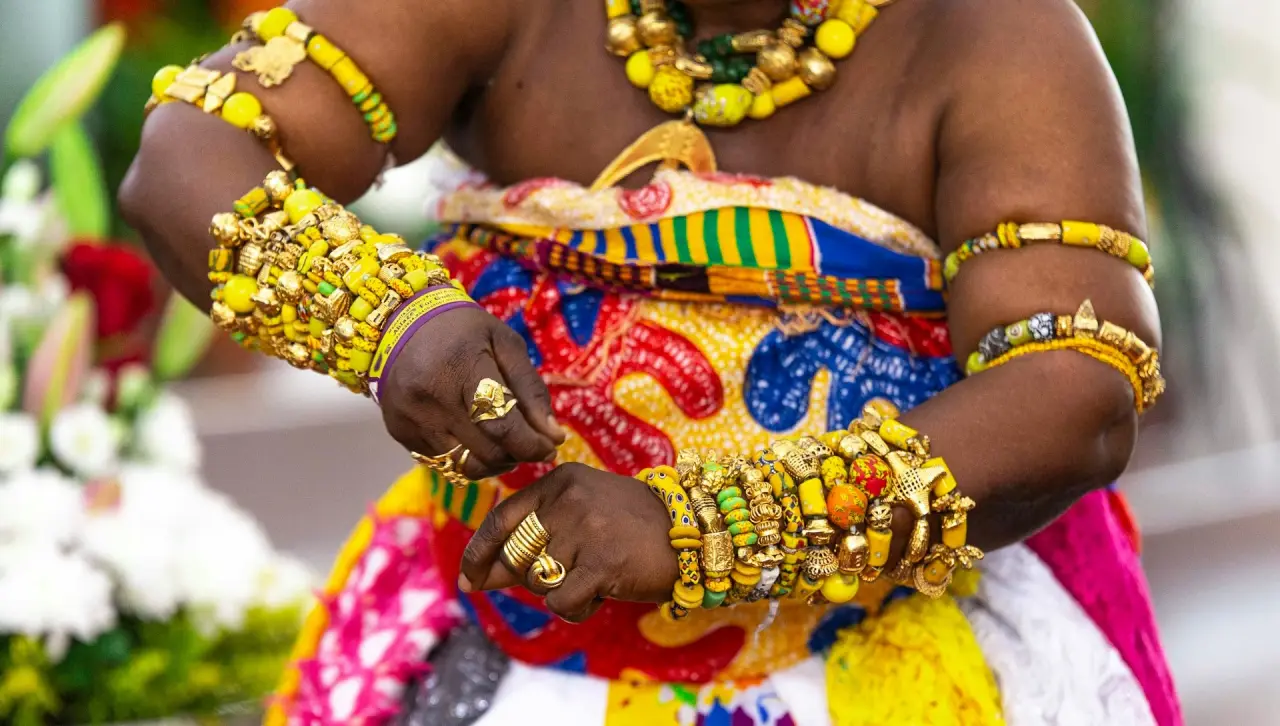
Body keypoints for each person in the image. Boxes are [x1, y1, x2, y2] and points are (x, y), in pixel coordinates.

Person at [120, 0, 1179, 723]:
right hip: (498, 649)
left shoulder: (998, 36)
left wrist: (695, 529)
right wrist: (394, 321)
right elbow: (190, 152)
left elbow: (1071, 392)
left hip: (883, 661)